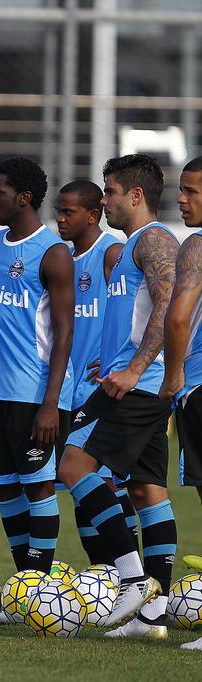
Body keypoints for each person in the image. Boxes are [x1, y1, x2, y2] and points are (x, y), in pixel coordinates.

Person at [57, 153, 179, 638]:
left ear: (135, 195)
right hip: (129, 379)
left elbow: (169, 307)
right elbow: (135, 314)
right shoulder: (129, 248)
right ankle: (153, 616)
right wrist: (110, 358)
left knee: (72, 466)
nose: (103, 200)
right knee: (148, 490)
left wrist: (132, 368)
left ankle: (132, 578)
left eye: (109, 192)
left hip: (138, 385)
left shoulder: (154, 240)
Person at [0, 157, 74, 579]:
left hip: (36, 394)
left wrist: (51, 404)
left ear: (23, 198)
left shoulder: (53, 253)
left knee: (38, 486)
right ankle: (28, 577)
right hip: (2, 390)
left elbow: (64, 334)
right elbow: (5, 309)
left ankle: (36, 585)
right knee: (1, 483)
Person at [54, 180, 130, 566]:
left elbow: (141, 307)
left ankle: (128, 573)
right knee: (81, 486)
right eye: (58, 211)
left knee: (100, 480)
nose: (60, 219)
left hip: (99, 391)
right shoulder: (63, 258)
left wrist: (118, 357)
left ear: (92, 215)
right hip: (67, 391)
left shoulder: (111, 253)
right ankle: (106, 574)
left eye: (68, 212)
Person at [159, 156, 202, 650]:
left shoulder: (195, 245)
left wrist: (173, 378)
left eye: (191, 191)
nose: (182, 200)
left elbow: (177, 319)